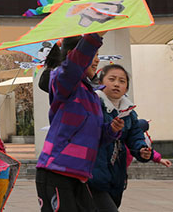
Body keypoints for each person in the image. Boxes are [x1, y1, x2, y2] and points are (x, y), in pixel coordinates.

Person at [35, 33, 124, 212]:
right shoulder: (63, 82)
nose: (97, 60)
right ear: (74, 56)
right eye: (94, 54)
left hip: (79, 176)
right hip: (56, 172)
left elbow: (95, 137)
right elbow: (74, 65)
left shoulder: (91, 95)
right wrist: (95, 35)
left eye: (99, 55)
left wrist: (111, 130)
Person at [88, 64, 152, 211]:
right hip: (93, 174)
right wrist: (109, 130)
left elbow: (135, 136)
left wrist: (141, 149)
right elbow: (90, 133)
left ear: (126, 88)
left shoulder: (129, 112)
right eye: (112, 79)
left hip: (116, 175)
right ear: (100, 82)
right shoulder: (93, 104)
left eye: (122, 81)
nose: (117, 84)